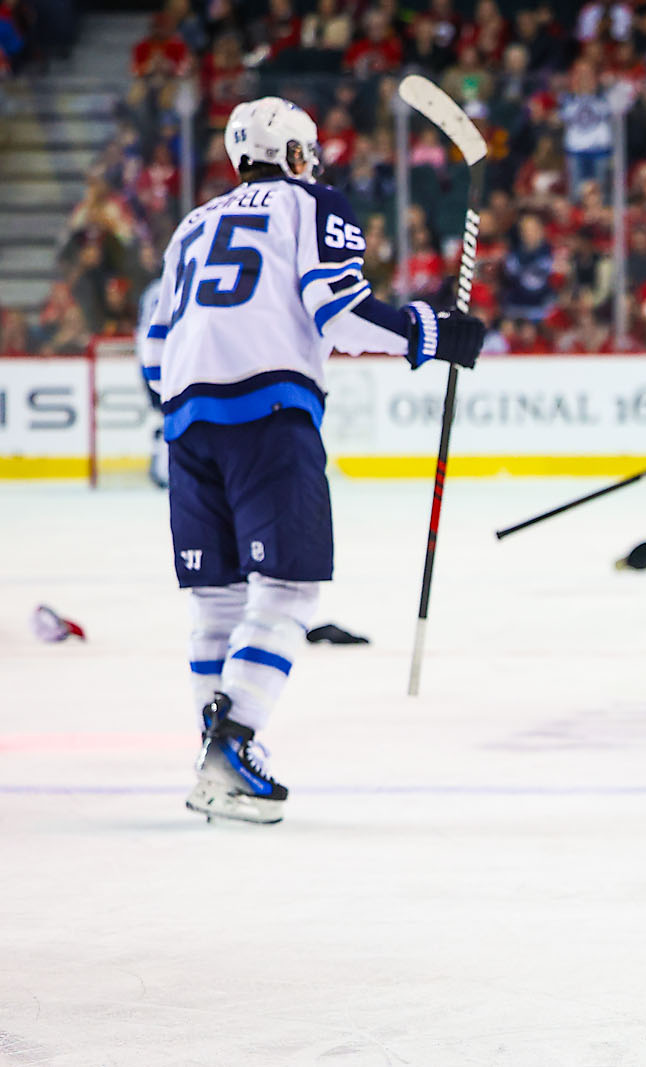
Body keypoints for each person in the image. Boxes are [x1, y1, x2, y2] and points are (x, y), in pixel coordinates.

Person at [137, 97, 486, 824]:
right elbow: (340, 313)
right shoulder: (310, 203)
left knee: (217, 599)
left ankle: (215, 759)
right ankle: (234, 744)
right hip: (268, 412)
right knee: (289, 588)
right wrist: (430, 333)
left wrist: (188, 408)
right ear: (295, 155)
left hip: (186, 421)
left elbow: (153, 349)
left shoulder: (191, 225)